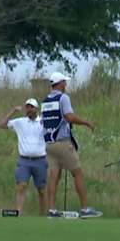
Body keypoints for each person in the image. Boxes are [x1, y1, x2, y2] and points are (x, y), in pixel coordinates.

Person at [42, 72, 102, 218]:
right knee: (77, 173)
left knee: (54, 176)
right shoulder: (63, 98)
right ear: (59, 83)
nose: (66, 85)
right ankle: (85, 209)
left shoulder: (45, 101)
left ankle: (52, 209)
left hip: (49, 143)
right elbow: (69, 117)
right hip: (62, 143)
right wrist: (86, 123)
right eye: (64, 82)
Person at [0, 98, 48, 216]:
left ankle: (43, 214)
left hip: (40, 160)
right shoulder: (21, 122)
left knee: (41, 189)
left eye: (31, 107)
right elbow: (1, 124)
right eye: (27, 107)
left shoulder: (43, 122)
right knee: (21, 185)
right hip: (24, 160)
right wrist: (13, 111)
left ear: (36, 109)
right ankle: (18, 212)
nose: (29, 110)